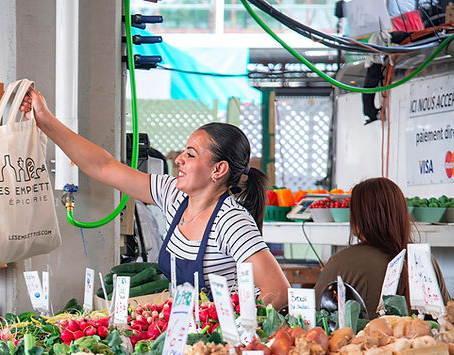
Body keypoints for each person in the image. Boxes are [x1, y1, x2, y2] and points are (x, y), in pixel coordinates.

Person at [20, 90, 289, 307]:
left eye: (191, 154)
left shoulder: (231, 222)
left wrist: (230, 324)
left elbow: (278, 291)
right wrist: (46, 121)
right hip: (181, 331)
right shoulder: (173, 195)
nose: (179, 159)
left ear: (218, 170)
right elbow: (103, 166)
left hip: (214, 343)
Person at [313, 177, 449, 312]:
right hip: (421, 334)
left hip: (358, 334)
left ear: (358, 219)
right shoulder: (423, 259)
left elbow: (313, 317)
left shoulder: (341, 262)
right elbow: (447, 316)